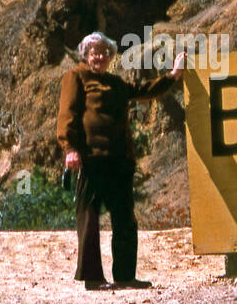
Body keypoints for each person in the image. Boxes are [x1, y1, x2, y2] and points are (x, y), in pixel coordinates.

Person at [57, 32, 186, 290]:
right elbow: (67, 114)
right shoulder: (75, 77)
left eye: (105, 52)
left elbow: (143, 91)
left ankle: (125, 276)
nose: (100, 56)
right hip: (91, 159)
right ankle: (92, 278)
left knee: (125, 218)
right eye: (95, 51)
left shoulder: (115, 83)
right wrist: (70, 148)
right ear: (85, 54)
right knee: (89, 218)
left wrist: (172, 76)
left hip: (119, 160)